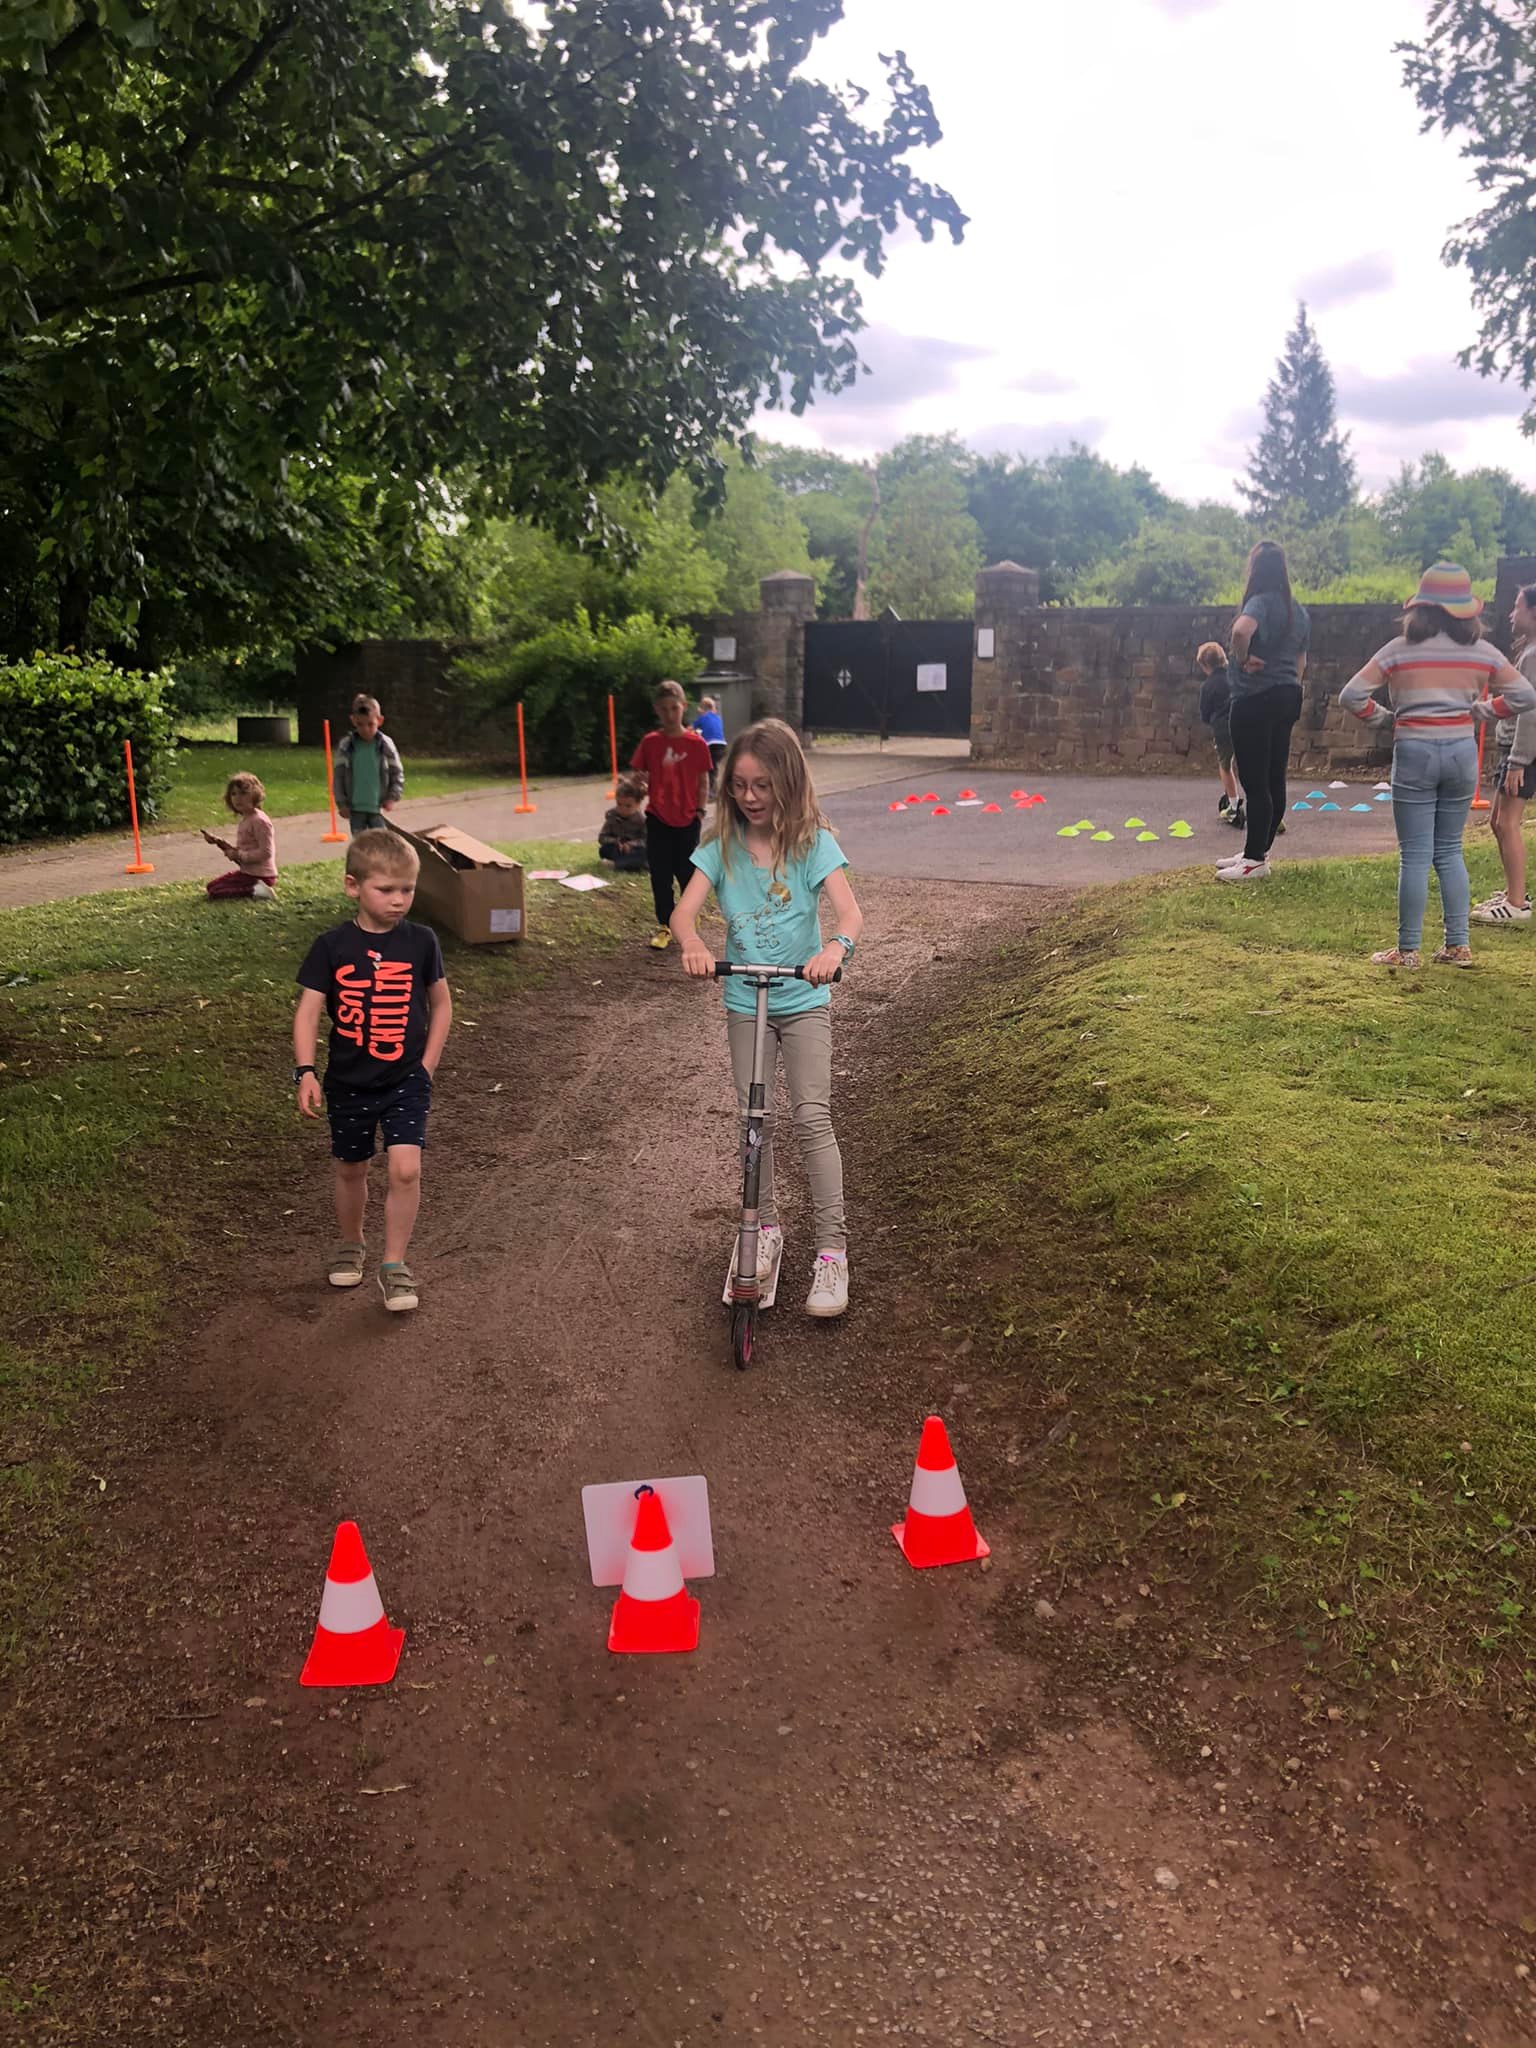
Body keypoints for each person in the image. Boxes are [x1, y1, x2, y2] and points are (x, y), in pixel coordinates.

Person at [671, 717, 863, 1320]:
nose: (749, 797)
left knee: (811, 1117)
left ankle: (831, 1252)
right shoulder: (720, 849)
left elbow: (850, 914)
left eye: (762, 785)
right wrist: (693, 943)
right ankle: (764, 1230)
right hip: (745, 1002)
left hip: (802, 1001)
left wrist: (834, 950)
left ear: (787, 782)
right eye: (739, 786)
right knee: (755, 1119)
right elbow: (683, 913)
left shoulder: (812, 845)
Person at [1340, 563, 1535, 969]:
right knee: (1449, 849)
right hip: (1461, 752)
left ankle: (1407, 950)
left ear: (1420, 608)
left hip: (1414, 751)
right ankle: (1457, 945)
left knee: (1414, 853)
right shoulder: (1483, 652)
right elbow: (1525, 696)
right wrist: (1482, 710)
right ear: (1467, 611)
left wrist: (1386, 719)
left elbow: (1351, 695)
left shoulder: (1397, 650)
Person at [292, 828, 453, 1312]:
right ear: (353, 886)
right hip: (348, 1082)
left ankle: (393, 1264)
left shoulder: (422, 941)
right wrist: (305, 1071)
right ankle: (351, 1242)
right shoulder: (331, 945)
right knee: (351, 1168)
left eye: (407, 889)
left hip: (406, 1081)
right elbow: (308, 1012)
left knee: (406, 1168)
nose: (399, 900)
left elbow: (442, 1005)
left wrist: (426, 1067)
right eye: (386, 890)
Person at [1216, 541, 1310, 882]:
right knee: (1274, 776)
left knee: (1254, 780)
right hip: (1287, 694)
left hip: (1255, 697)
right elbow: (1301, 661)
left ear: (1255, 570)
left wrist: (1242, 659)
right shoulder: (1297, 611)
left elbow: (1241, 631)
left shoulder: (1260, 601)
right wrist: (1290, 684)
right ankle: (1258, 851)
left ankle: (1254, 859)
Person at [1471, 580, 1536, 927]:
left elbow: (1531, 711)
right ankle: (1514, 892)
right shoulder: (1528, 652)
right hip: (1514, 749)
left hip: (1521, 753)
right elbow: (1511, 702)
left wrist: (1518, 761)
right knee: (1497, 821)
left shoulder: (1534, 655)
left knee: (1507, 822)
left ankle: (1517, 904)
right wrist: (1479, 710)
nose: (1511, 614)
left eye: (1517, 607)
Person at [631, 679, 712, 950]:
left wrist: (700, 811)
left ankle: (687, 918)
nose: (669, 714)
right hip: (658, 818)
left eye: (674, 708)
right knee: (660, 875)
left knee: (687, 873)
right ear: (656, 709)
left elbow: (703, 781)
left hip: (688, 819)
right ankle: (666, 924)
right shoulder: (650, 742)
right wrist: (639, 783)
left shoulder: (696, 743)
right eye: (664, 709)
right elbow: (638, 778)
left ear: (683, 707)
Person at [334, 694, 405, 835]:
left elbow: (397, 772)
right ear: (353, 720)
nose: (365, 729)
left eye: (370, 724)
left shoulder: (386, 745)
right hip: (355, 809)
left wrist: (392, 797)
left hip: (377, 808)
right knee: (360, 844)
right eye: (360, 724)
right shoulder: (346, 746)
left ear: (380, 720)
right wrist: (341, 803)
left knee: (379, 843)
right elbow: (338, 777)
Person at [201, 772, 278, 899]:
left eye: (243, 793)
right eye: (233, 794)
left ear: (255, 795)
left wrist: (239, 855)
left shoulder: (260, 821)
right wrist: (219, 842)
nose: (237, 798)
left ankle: (257, 890)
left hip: (261, 875)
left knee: (216, 892)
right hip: (247, 873)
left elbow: (265, 853)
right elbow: (243, 851)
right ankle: (255, 888)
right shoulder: (247, 819)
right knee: (211, 887)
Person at [1196, 642, 1243, 830]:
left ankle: (1233, 805)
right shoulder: (1236, 676)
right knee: (1250, 765)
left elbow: (1205, 714)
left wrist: (1212, 720)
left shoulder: (1208, 686)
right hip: (1243, 723)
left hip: (1223, 730)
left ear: (1205, 666)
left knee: (1225, 765)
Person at [598, 775, 649, 871]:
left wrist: (631, 845)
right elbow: (602, 837)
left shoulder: (642, 820)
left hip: (634, 850)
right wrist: (616, 842)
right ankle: (633, 864)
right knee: (604, 850)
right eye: (619, 804)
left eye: (628, 806)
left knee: (647, 852)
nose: (622, 809)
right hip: (617, 849)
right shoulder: (612, 816)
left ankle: (617, 865)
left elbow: (645, 840)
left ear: (638, 804)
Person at [692, 694, 728, 794]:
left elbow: (690, 729)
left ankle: (710, 791)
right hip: (722, 745)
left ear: (702, 709)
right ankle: (715, 786)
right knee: (713, 766)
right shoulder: (718, 718)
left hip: (711, 745)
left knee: (708, 767)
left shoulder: (702, 718)